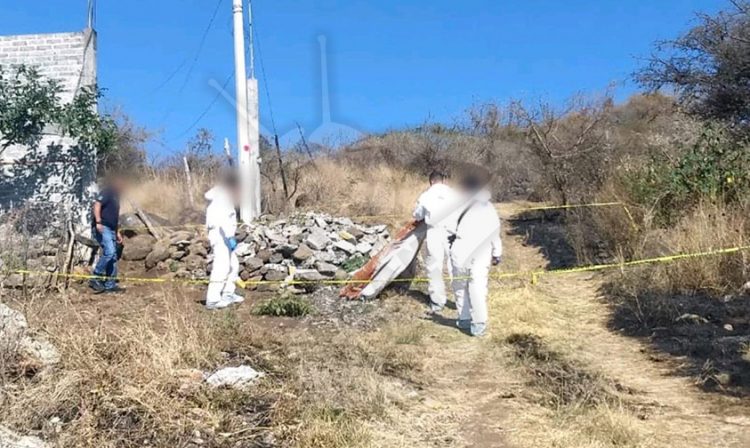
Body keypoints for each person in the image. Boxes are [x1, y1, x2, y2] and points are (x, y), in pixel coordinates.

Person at [449, 173, 502, 337]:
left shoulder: (456, 206)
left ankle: (464, 318)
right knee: (477, 286)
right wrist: (497, 252)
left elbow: (449, 229)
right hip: (482, 249)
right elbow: (495, 231)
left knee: (460, 285)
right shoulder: (488, 206)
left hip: (460, 248)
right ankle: (479, 323)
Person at [412, 171, 460, 312]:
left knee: (434, 266)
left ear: (431, 181)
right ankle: (462, 300)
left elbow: (417, 215)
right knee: (455, 265)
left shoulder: (426, 195)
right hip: (452, 231)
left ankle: (438, 302)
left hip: (435, 230)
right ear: (443, 180)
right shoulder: (453, 193)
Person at [204, 173, 244, 310]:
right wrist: (230, 237)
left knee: (233, 265)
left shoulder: (223, 196)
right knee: (221, 267)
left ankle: (228, 293)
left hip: (224, 236)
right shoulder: (222, 198)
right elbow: (223, 220)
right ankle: (213, 300)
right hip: (220, 236)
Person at [90, 174, 127, 294]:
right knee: (109, 252)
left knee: (113, 257)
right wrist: (98, 222)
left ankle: (110, 285)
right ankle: (95, 277)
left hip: (111, 229)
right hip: (103, 226)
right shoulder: (107, 192)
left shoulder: (117, 197)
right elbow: (97, 205)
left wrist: (117, 232)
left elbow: (114, 217)